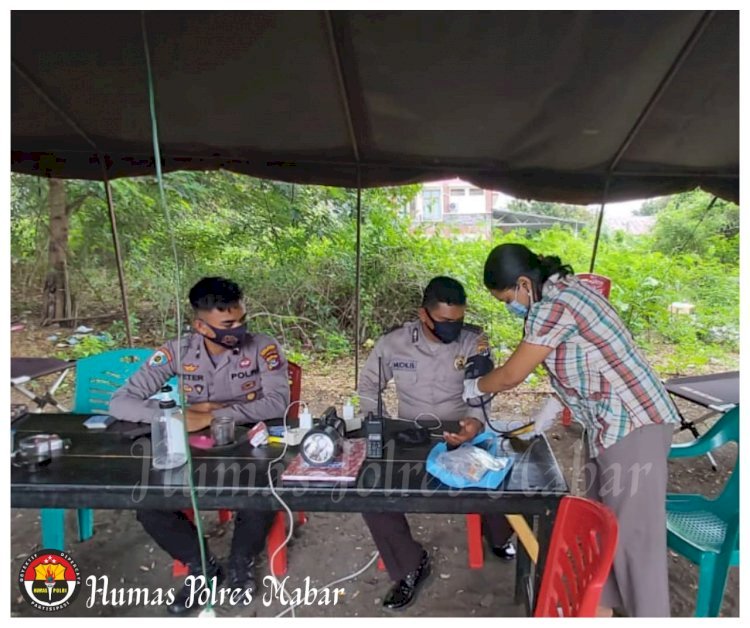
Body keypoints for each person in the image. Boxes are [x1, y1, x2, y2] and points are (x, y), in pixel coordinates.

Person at [463, 243, 680, 617]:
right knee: (604, 526)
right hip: (608, 428)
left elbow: (513, 374)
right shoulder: (569, 292)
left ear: (523, 283)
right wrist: (553, 407)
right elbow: (581, 361)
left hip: (635, 425)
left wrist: (476, 386)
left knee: (634, 539)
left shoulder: (552, 307)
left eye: (506, 299)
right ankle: (601, 611)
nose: (509, 306)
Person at [109, 277, 290, 615]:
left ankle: (241, 563)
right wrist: (174, 415)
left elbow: (279, 403)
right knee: (148, 504)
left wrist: (216, 414)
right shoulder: (178, 351)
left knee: (261, 490)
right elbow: (121, 402)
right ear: (200, 325)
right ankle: (202, 567)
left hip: (249, 442)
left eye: (241, 320)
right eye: (228, 324)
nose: (238, 329)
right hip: (192, 448)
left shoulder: (263, 347)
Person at [358, 276, 516, 611]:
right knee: (372, 491)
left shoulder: (473, 341)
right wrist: (378, 425)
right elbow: (370, 383)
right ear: (424, 315)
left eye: (458, 320)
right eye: (445, 321)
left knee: (499, 473)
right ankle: (410, 565)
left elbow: (481, 385)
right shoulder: (393, 342)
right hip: (407, 435)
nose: (453, 328)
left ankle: (499, 537)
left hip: (462, 433)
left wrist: (475, 422)